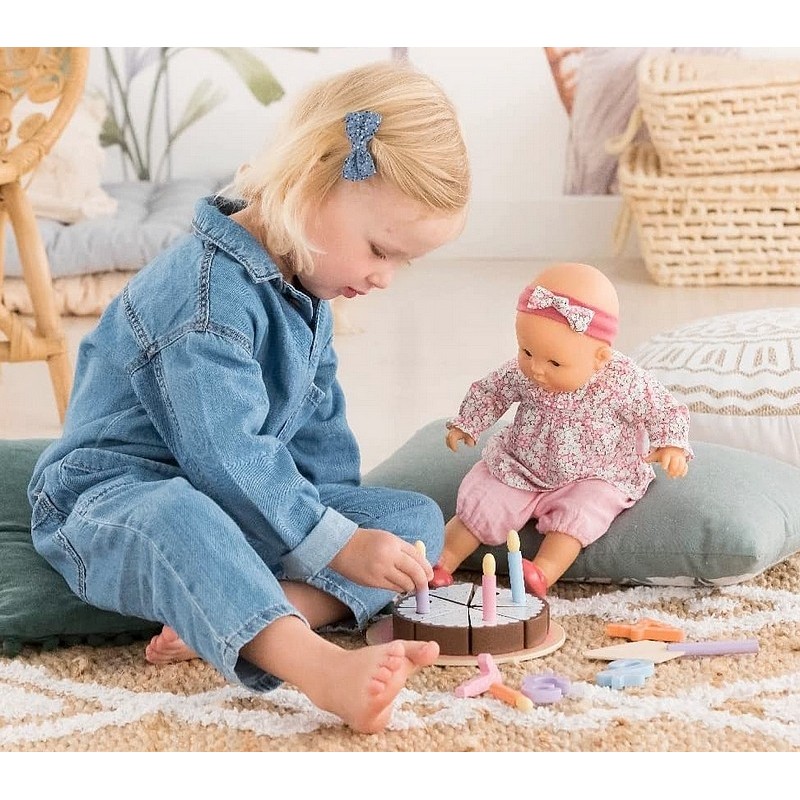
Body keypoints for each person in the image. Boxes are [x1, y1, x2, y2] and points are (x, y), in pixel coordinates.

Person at [27, 60, 470, 735]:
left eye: (403, 262)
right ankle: (317, 666)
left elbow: (320, 438)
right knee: (179, 514)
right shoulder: (206, 299)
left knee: (410, 521)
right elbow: (222, 453)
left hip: (248, 510)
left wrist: (347, 533)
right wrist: (335, 545)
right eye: (381, 249)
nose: (385, 277)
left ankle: (247, 610)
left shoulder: (306, 285)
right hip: (115, 499)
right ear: (309, 182)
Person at [430, 262, 692, 596]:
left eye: (554, 362)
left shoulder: (624, 381)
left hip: (596, 472)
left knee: (582, 514)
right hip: (523, 463)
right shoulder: (525, 370)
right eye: (526, 351)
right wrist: (468, 423)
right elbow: (492, 389)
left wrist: (671, 445)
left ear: (599, 358)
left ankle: (542, 571)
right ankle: (442, 561)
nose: (536, 369)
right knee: (485, 501)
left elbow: (663, 408)